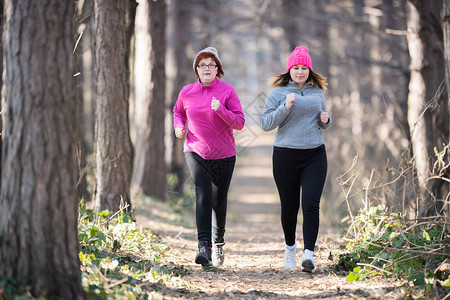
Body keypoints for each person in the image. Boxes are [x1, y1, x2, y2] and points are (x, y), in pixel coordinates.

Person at [260, 46, 331, 272]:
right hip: (285, 155)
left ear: (309, 70)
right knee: (289, 207)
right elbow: (266, 123)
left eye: (304, 68)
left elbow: (323, 122)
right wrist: (285, 106)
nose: (300, 72)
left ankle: (308, 253)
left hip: (315, 154)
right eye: (296, 68)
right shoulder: (278, 93)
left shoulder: (318, 92)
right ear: (289, 69)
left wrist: (326, 121)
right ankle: (290, 247)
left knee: (311, 203)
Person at [173, 47, 245, 267]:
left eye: (211, 65)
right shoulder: (187, 91)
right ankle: (204, 246)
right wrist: (179, 126)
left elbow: (240, 123)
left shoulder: (227, 91)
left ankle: (218, 241)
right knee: (203, 196)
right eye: (202, 64)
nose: (206, 68)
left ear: (218, 70)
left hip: (224, 154)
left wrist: (221, 110)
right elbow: (178, 111)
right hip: (195, 150)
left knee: (218, 201)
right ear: (197, 69)